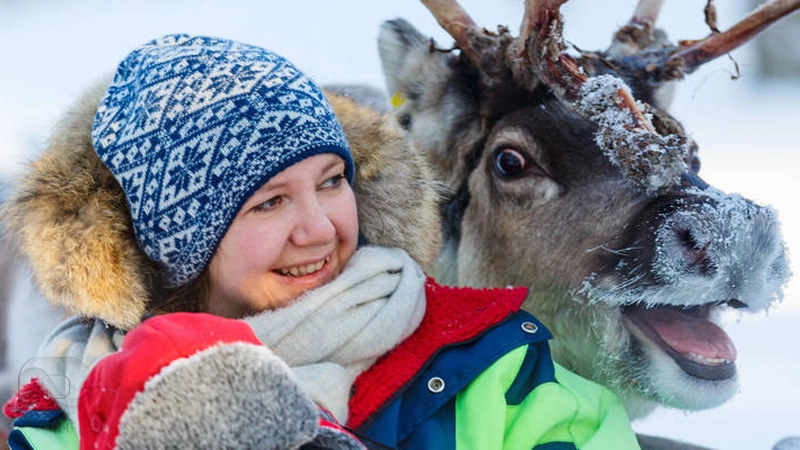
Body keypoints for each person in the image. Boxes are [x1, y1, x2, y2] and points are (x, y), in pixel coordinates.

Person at [2, 34, 641, 449]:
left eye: (333, 182)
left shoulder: (494, 371)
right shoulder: (64, 417)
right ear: (172, 241)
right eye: (270, 202)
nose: (321, 227)